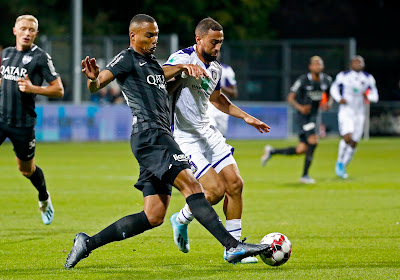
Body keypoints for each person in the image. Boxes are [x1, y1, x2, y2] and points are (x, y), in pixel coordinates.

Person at [64, 14, 270, 269]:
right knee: (194, 187)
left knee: (153, 215)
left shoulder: (152, 64)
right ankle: (232, 245)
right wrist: (94, 79)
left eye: (156, 35)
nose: (154, 40)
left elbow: (169, 83)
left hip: (156, 137)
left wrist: (183, 76)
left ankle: (87, 243)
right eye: (149, 35)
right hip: (152, 135)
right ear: (133, 35)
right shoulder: (128, 58)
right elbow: (98, 84)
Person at [163, 17, 270, 263]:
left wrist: (246, 117)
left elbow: (217, 99)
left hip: (207, 131)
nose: (217, 47)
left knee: (235, 184)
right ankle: (180, 219)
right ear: (199, 39)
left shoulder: (216, 68)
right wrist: (181, 69)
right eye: (213, 42)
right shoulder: (182, 57)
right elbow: (158, 76)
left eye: (220, 42)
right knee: (213, 191)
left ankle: (234, 248)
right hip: (183, 136)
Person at [0, 15, 64, 225]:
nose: (27, 33)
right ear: (15, 30)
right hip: (0, 118)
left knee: (26, 169)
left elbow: (59, 90)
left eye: (31, 30)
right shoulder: (7, 54)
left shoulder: (40, 57)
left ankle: (44, 196)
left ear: (36, 33)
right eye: (23, 28)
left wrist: (33, 88)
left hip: (23, 124)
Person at [261, 56, 332, 184]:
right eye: (315, 64)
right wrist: (300, 107)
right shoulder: (303, 80)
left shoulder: (326, 80)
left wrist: (329, 103)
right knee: (313, 141)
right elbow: (290, 97)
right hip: (303, 116)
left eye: (320, 64)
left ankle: (272, 151)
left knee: (301, 149)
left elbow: (330, 94)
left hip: (313, 116)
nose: (317, 66)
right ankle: (305, 176)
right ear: (310, 67)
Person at [330, 55, 378, 178]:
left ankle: (343, 166)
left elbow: (375, 95)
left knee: (354, 142)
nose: (358, 64)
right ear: (351, 64)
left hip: (360, 113)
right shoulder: (343, 76)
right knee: (347, 137)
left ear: (363, 65)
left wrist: (369, 97)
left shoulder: (368, 78)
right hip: (346, 111)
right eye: (355, 62)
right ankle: (339, 162)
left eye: (360, 62)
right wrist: (339, 99)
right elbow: (333, 88)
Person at [206, 58, 238, 136]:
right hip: (206, 104)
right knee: (210, 129)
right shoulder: (200, 67)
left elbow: (234, 93)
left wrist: (219, 86)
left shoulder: (227, 70)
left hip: (222, 106)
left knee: (221, 134)